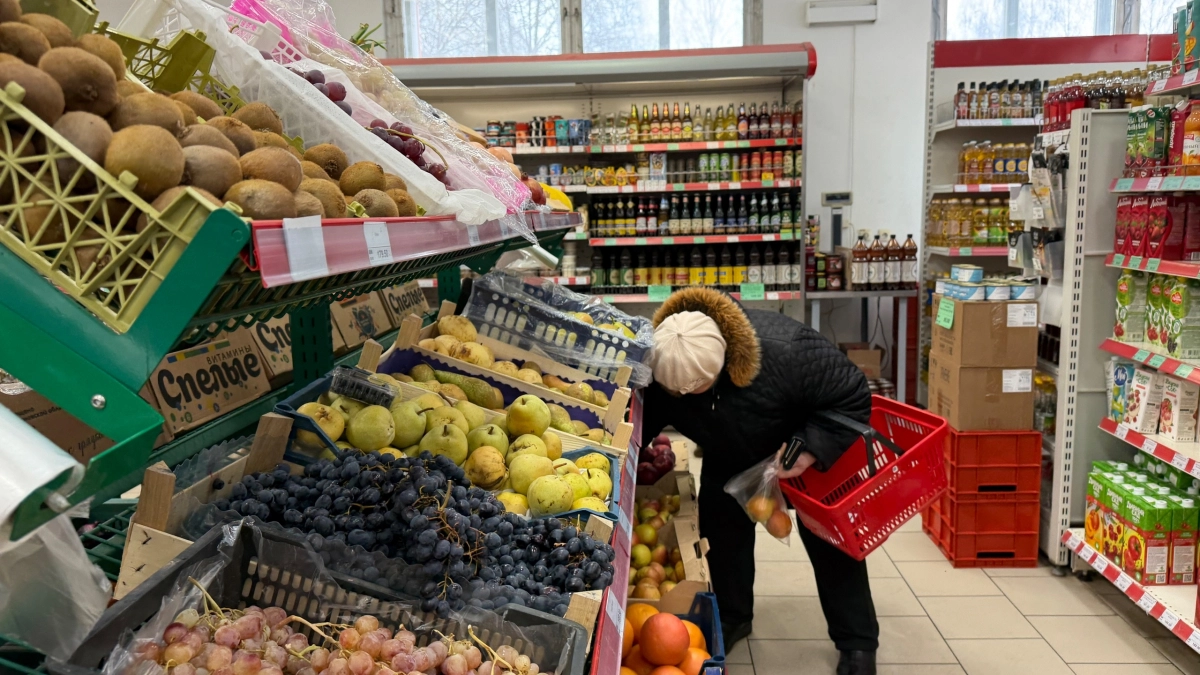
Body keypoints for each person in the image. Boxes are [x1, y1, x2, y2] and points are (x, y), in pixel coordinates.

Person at [640, 287, 879, 675]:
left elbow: (851, 394)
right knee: (722, 534)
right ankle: (734, 617)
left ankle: (857, 642)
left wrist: (809, 449)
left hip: (797, 451)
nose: (683, 397)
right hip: (730, 452)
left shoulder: (787, 349)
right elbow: (647, 418)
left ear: (722, 364)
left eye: (694, 388)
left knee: (829, 544)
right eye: (675, 392)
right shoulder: (664, 364)